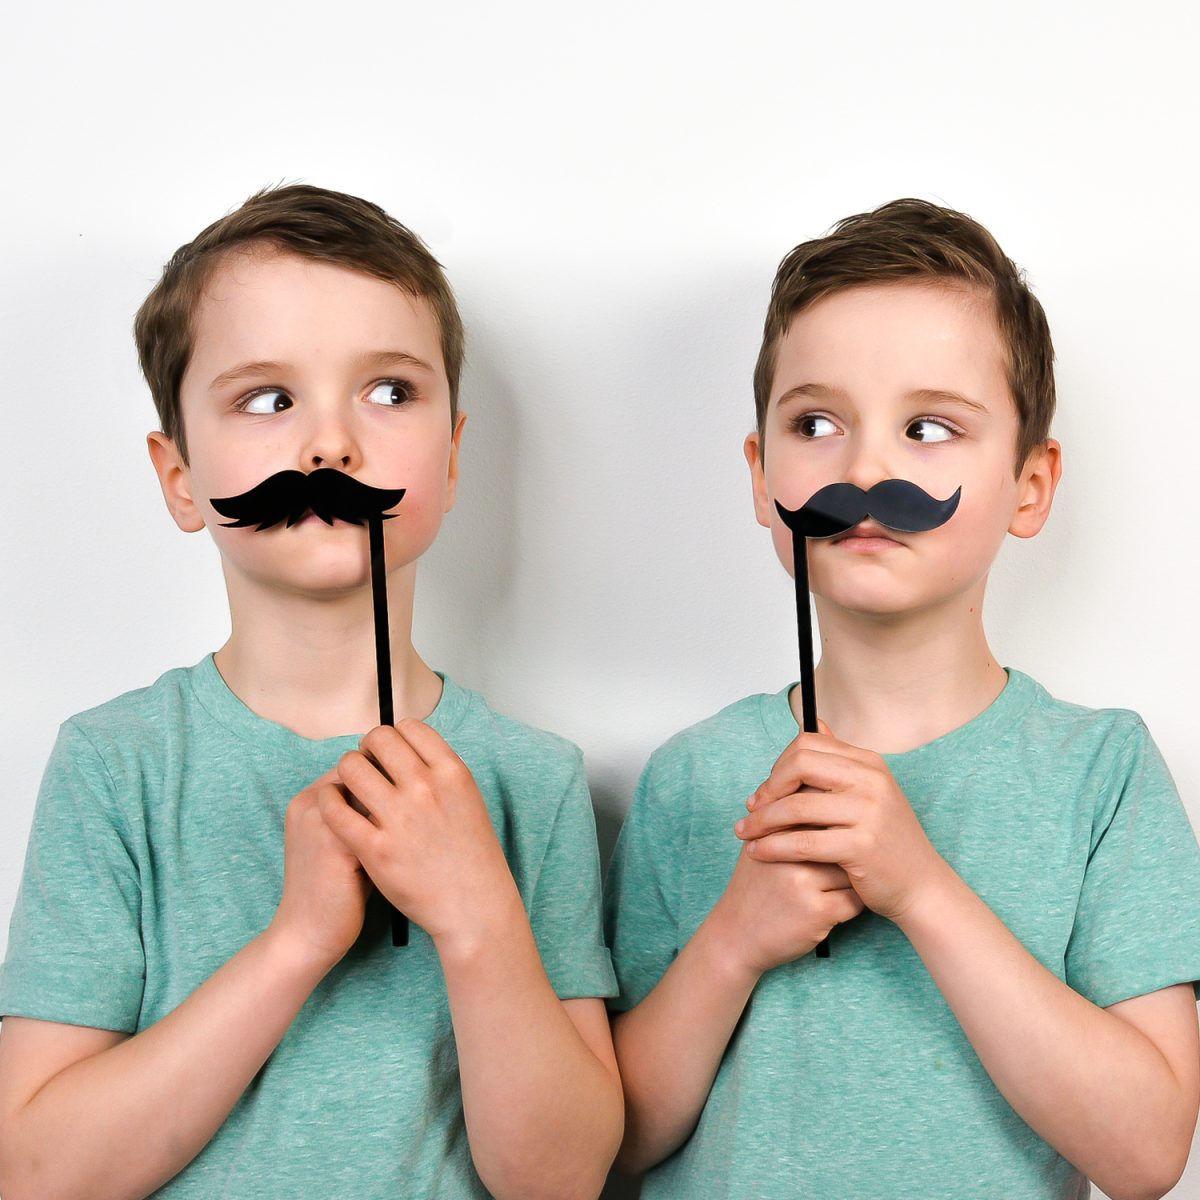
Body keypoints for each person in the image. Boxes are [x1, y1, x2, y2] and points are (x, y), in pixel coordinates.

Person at [0, 184, 622, 1200]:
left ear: (455, 456)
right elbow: (35, 1175)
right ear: (180, 478)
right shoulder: (116, 766)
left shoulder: (529, 779)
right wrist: (298, 940)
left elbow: (560, 1181)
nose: (331, 445)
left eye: (388, 393)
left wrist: (477, 918)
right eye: (268, 399)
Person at [604, 198, 1200, 1200]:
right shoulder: (694, 776)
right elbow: (616, 1139)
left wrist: (920, 888)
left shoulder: (1101, 774)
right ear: (763, 477)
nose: (866, 467)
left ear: (1029, 485)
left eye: (928, 428)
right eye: (816, 423)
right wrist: (735, 941)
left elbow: (1146, 1153)